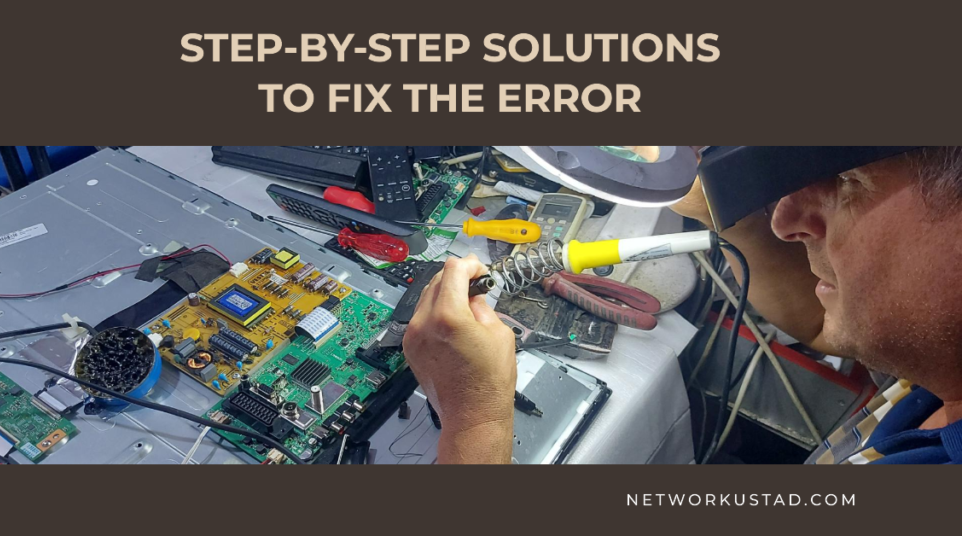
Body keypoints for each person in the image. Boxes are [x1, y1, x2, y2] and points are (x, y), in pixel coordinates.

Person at [403, 146, 962, 464]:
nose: (786, 221)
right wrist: (718, 206)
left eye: (849, 179)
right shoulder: (939, 352)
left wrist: (475, 423)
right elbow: (826, 325)